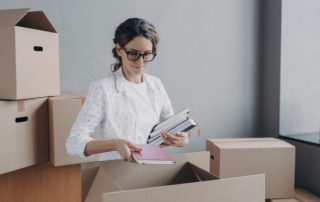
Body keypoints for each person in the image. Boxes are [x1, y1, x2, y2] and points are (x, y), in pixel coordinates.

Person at [65, 18, 189, 162]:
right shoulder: (102, 90)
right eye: (133, 53)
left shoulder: (156, 85)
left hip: (152, 168)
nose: (140, 62)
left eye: (147, 54)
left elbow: (171, 128)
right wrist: (115, 144)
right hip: (117, 172)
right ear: (119, 50)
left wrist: (181, 138)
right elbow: (73, 143)